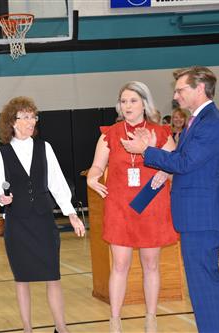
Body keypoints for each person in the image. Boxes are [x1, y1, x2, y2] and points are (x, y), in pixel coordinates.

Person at [121, 66, 219, 333]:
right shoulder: (199, 120)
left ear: (199, 89)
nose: (176, 95)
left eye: (180, 90)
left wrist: (147, 150)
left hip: (201, 218)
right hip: (195, 217)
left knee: (204, 287)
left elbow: (185, 162)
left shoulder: (211, 122)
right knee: (201, 287)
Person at [87, 81, 178, 333]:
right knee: (119, 265)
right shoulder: (110, 134)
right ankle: (115, 320)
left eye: (133, 101)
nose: (127, 105)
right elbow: (96, 166)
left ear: (144, 104)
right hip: (120, 207)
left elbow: (176, 166)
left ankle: (151, 317)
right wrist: (92, 177)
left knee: (151, 264)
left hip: (151, 204)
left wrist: (165, 171)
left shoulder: (160, 133)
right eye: (124, 101)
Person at [0, 96, 85, 333]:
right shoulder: (1, 153)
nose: (31, 121)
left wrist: (71, 213)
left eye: (33, 116)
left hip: (43, 220)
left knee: (53, 276)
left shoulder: (45, 147)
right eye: (25, 117)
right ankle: (27, 329)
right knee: (22, 280)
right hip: (18, 223)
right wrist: (2, 198)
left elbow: (57, 183)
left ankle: (61, 328)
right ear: (12, 121)